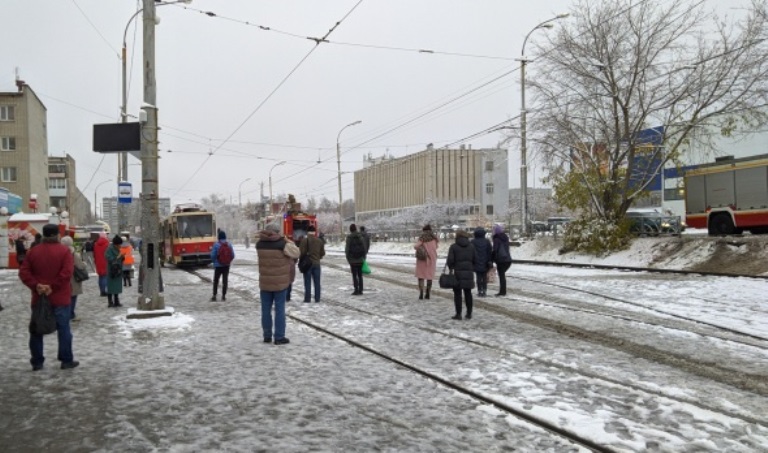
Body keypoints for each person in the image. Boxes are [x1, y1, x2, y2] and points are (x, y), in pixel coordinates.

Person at [19, 223, 78, 370]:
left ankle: (37, 362)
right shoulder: (64, 252)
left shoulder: (33, 252)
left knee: (36, 330)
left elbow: (24, 272)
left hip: (39, 298)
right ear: (57, 235)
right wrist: (52, 287)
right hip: (60, 298)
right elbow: (66, 274)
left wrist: (36, 286)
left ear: (44, 235)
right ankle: (66, 360)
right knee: (63, 329)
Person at [256, 222, 299, 345]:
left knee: (265, 310)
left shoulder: (259, 244)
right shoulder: (282, 244)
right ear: (277, 231)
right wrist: (288, 241)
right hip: (280, 284)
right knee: (280, 309)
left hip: (265, 283)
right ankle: (279, 337)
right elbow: (296, 253)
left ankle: (267, 335)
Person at [447, 230, 476, 320]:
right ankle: (469, 313)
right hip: (468, 273)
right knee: (468, 293)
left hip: (457, 273)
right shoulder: (471, 246)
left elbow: (450, 260)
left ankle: (458, 314)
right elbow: (475, 259)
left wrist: (452, 267)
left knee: (457, 294)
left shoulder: (453, 247)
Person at [61, 236, 87, 321]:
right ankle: (71, 314)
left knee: (64, 296)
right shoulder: (74, 254)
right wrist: (84, 264)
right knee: (72, 297)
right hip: (73, 278)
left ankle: (65, 313)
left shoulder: (59, 253)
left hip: (62, 278)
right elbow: (80, 265)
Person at [299, 225, 326, 302]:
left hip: (307, 265)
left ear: (307, 232)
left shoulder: (304, 241)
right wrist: (318, 257)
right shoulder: (319, 241)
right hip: (317, 264)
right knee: (317, 282)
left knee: (307, 282)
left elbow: (301, 252)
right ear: (314, 232)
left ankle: (307, 299)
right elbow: (323, 253)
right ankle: (317, 298)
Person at [413, 224, 438, 300]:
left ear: (424, 230)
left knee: (421, 276)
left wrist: (422, 247)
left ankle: (421, 293)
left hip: (423, 258)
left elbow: (416, 246)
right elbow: (436, 247)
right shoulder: (434, 238)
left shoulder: (422, 238)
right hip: (432, 258)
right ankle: (428, 293)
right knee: (429, 276)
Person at [210, 229, 234, 301]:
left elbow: (213, 255)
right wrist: (228, 261)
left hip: (218, 266)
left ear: (219, 237)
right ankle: (223, 296)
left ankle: (214, 295)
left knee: (216, 280)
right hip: (226, 265)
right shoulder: (229, 244)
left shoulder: (216, 245)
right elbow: (232, 255)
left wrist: (215, 262)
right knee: (225, 280)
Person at [345, 223, 367, 295]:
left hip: (353, 260)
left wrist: (348, 258)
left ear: (350, 230)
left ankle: (356, 290)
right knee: (360, 275)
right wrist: (364, 257)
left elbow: (347, 249)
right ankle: (361, 290)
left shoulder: (349, 238)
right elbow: (364, 248)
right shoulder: (361, 237)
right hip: (360, 259)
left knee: (354, 275)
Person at [470, 227, 493, 297]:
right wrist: (490, 261)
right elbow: (490, 252)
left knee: (478, 277)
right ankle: (485, 290)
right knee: (484, 277)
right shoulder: (487, 241)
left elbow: (471, 252)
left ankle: (479, 290)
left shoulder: (473, 242)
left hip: (476, 262)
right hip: (486, 262)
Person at [491, 224, 513, 296]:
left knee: (501, 276)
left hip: (501, 260)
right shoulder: (505, 238)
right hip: (508, 259)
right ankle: (503, 291)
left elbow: (495, 250)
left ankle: (502, 292)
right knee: (502, 275)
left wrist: (492, 258)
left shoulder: (496, 239)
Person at [105, 235, 125, 308]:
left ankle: (116, 301)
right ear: (115, 244)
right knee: (111, 286)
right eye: (119, 244)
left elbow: (121, 259)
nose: (120, 246)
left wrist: (122, 257)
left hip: (118, 269)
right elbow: (108, 257)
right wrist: (118, 257)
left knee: (117, 286)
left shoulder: (119, 249)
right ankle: (110, 302)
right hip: (112, 270)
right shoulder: (109, 249)